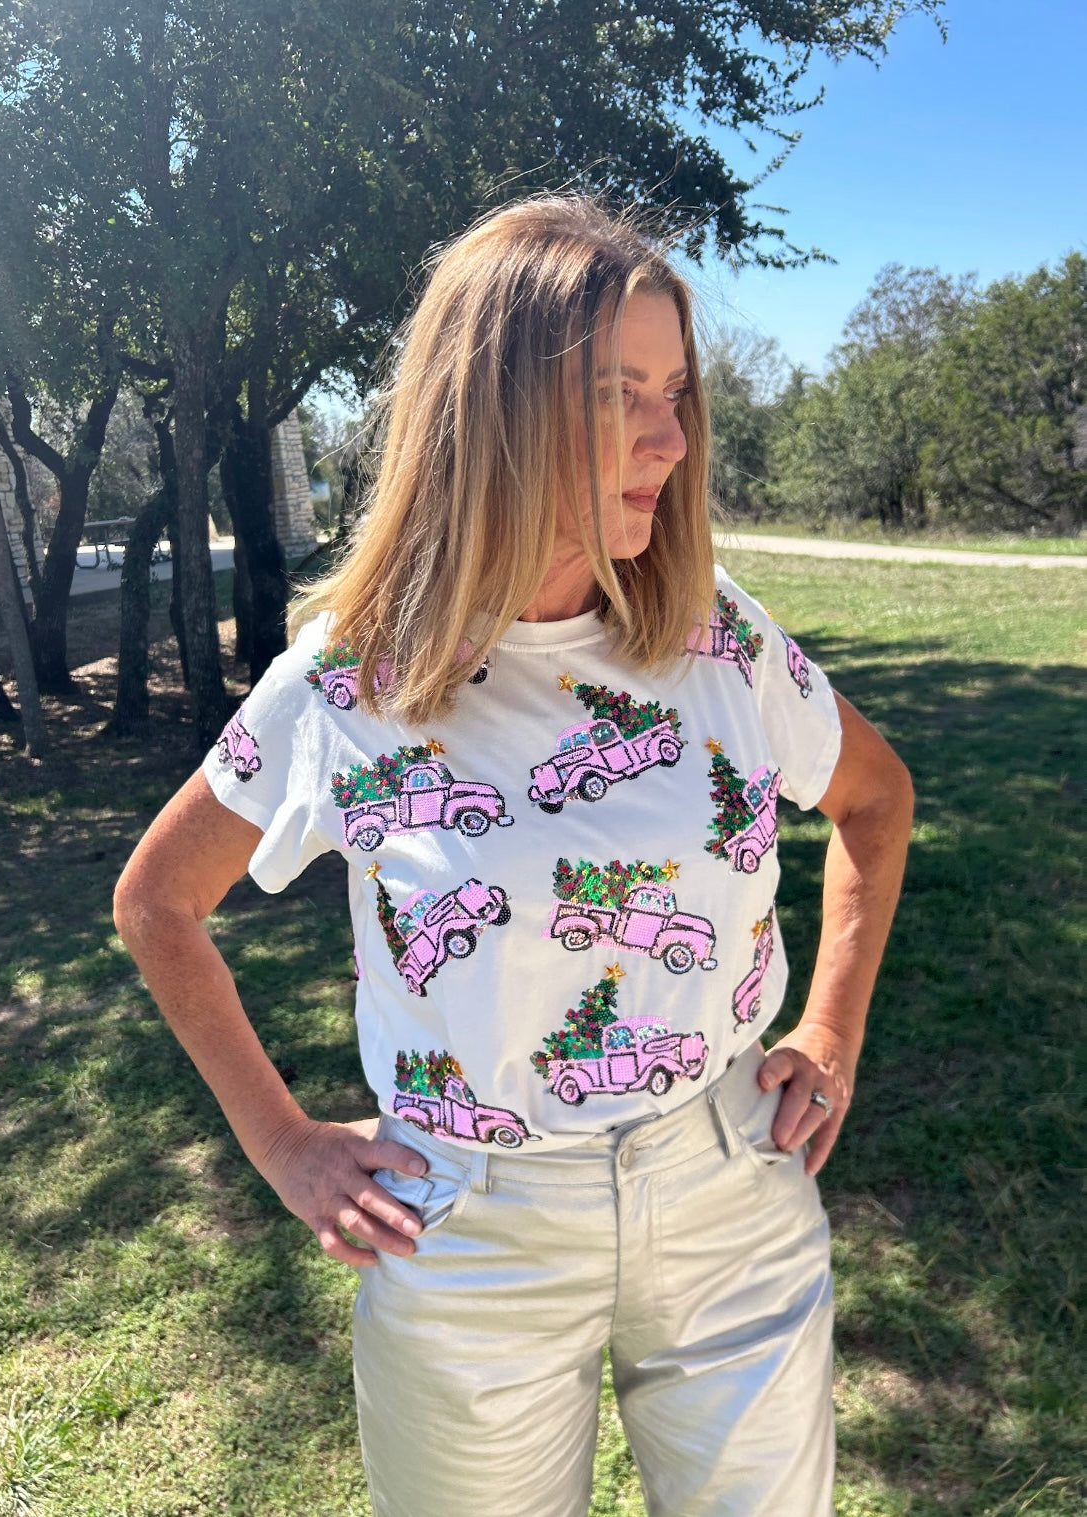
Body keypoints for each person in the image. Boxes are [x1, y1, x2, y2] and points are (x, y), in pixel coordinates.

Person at [114, 196, 913, 1517]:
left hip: (728, 1185)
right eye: (618, 394)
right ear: (493, 411)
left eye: (678, 392)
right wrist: (285, 1144)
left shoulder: (719, 641)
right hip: (467, 1220)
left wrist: (828, 1029)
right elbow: (158, 902)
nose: (670, 436)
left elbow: (876, 805)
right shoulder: (350, 681)